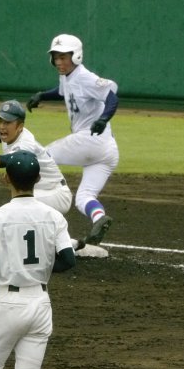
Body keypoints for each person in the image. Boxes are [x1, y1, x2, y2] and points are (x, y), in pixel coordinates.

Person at [0, 150, 76, 369]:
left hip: (8, 302)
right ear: (39, 178)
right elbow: (68, 260)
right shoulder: (54, 216)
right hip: (40, 303)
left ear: (6, 178)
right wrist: (39, 270)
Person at [26, 33, 119, 245]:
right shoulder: (68, 76)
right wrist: (42, 95)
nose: (59, 62)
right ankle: (99, 218)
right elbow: (63, 91)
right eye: (56, 57)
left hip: (90, 139)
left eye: (63, 57)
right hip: (107, 151)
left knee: (41, 157)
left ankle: (31, 207)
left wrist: (104, 118)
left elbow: (112, 95)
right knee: (84, 197)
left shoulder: (85, 77)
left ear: (76, 56)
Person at [0, 100, 85, 251]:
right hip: (42, 192)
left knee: (20, 211)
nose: (2, 126)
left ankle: (56, 244)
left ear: (20, 126)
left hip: (55, 194)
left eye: (7, 122)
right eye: (0, 121)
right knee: (23, 212)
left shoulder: (25, 144)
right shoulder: (11, 134)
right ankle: (69, 244)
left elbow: (6, 160)